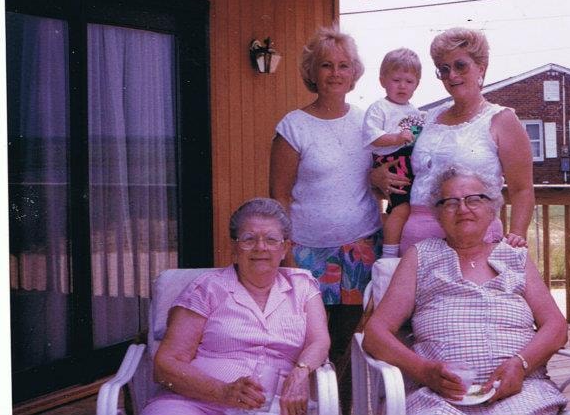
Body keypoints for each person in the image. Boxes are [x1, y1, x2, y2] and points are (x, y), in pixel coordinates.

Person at [363, 167, 568, 415]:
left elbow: (556, 326)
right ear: (437, 214)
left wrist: (521, 364)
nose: (462, 209)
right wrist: (424, 371)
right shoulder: (421, 256)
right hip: (438, 398)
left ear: (492, 208)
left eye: (474, 199)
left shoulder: (515, 257)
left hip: (522, 391)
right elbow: (375, 334)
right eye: (450, 202)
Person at [269, 25, 382, 410]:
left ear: (354, 73)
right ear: (312, 72)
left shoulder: (368, 123)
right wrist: (285, 254)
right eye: (326, 65)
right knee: (309, 342)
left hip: (359, 249)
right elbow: (279, 196)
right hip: (306, 253)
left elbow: (379, 177)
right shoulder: (293, 126)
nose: (336, 73)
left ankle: (343, 408)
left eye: (344, 65)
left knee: (348, 343)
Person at [144, 198, 329, 415]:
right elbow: (166, 364)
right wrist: (222, 392)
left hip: (274, 406)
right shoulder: (207, 288)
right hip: (195, 402)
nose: (260, 247)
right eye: (249, 239)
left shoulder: (302, 286)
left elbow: (319, 341)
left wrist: (300, 373)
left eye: (271, 239)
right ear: (234, 247)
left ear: (284, 248)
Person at [376, 27, 533, 254]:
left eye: (460, 65)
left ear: (481, 67)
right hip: (415, 240)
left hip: (472, 239)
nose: (452, 75)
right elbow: (394, 155)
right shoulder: (428, 118)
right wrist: (376, 176)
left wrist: (517, 236)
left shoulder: (502, 120)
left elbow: (522, 189)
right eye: (444, 69)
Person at [362, 47, 425, 259]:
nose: (402, 86)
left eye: (409, 81)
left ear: (417, 84)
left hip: (410, 160)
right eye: (396, 80)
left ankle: (405, 247)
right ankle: (389, 255)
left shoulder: (414, 111)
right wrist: (397, 138)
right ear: (383, 81)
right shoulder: (379, 108)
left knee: (411, 205)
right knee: (401, 208)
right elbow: (372, 138)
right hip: (391, 160)